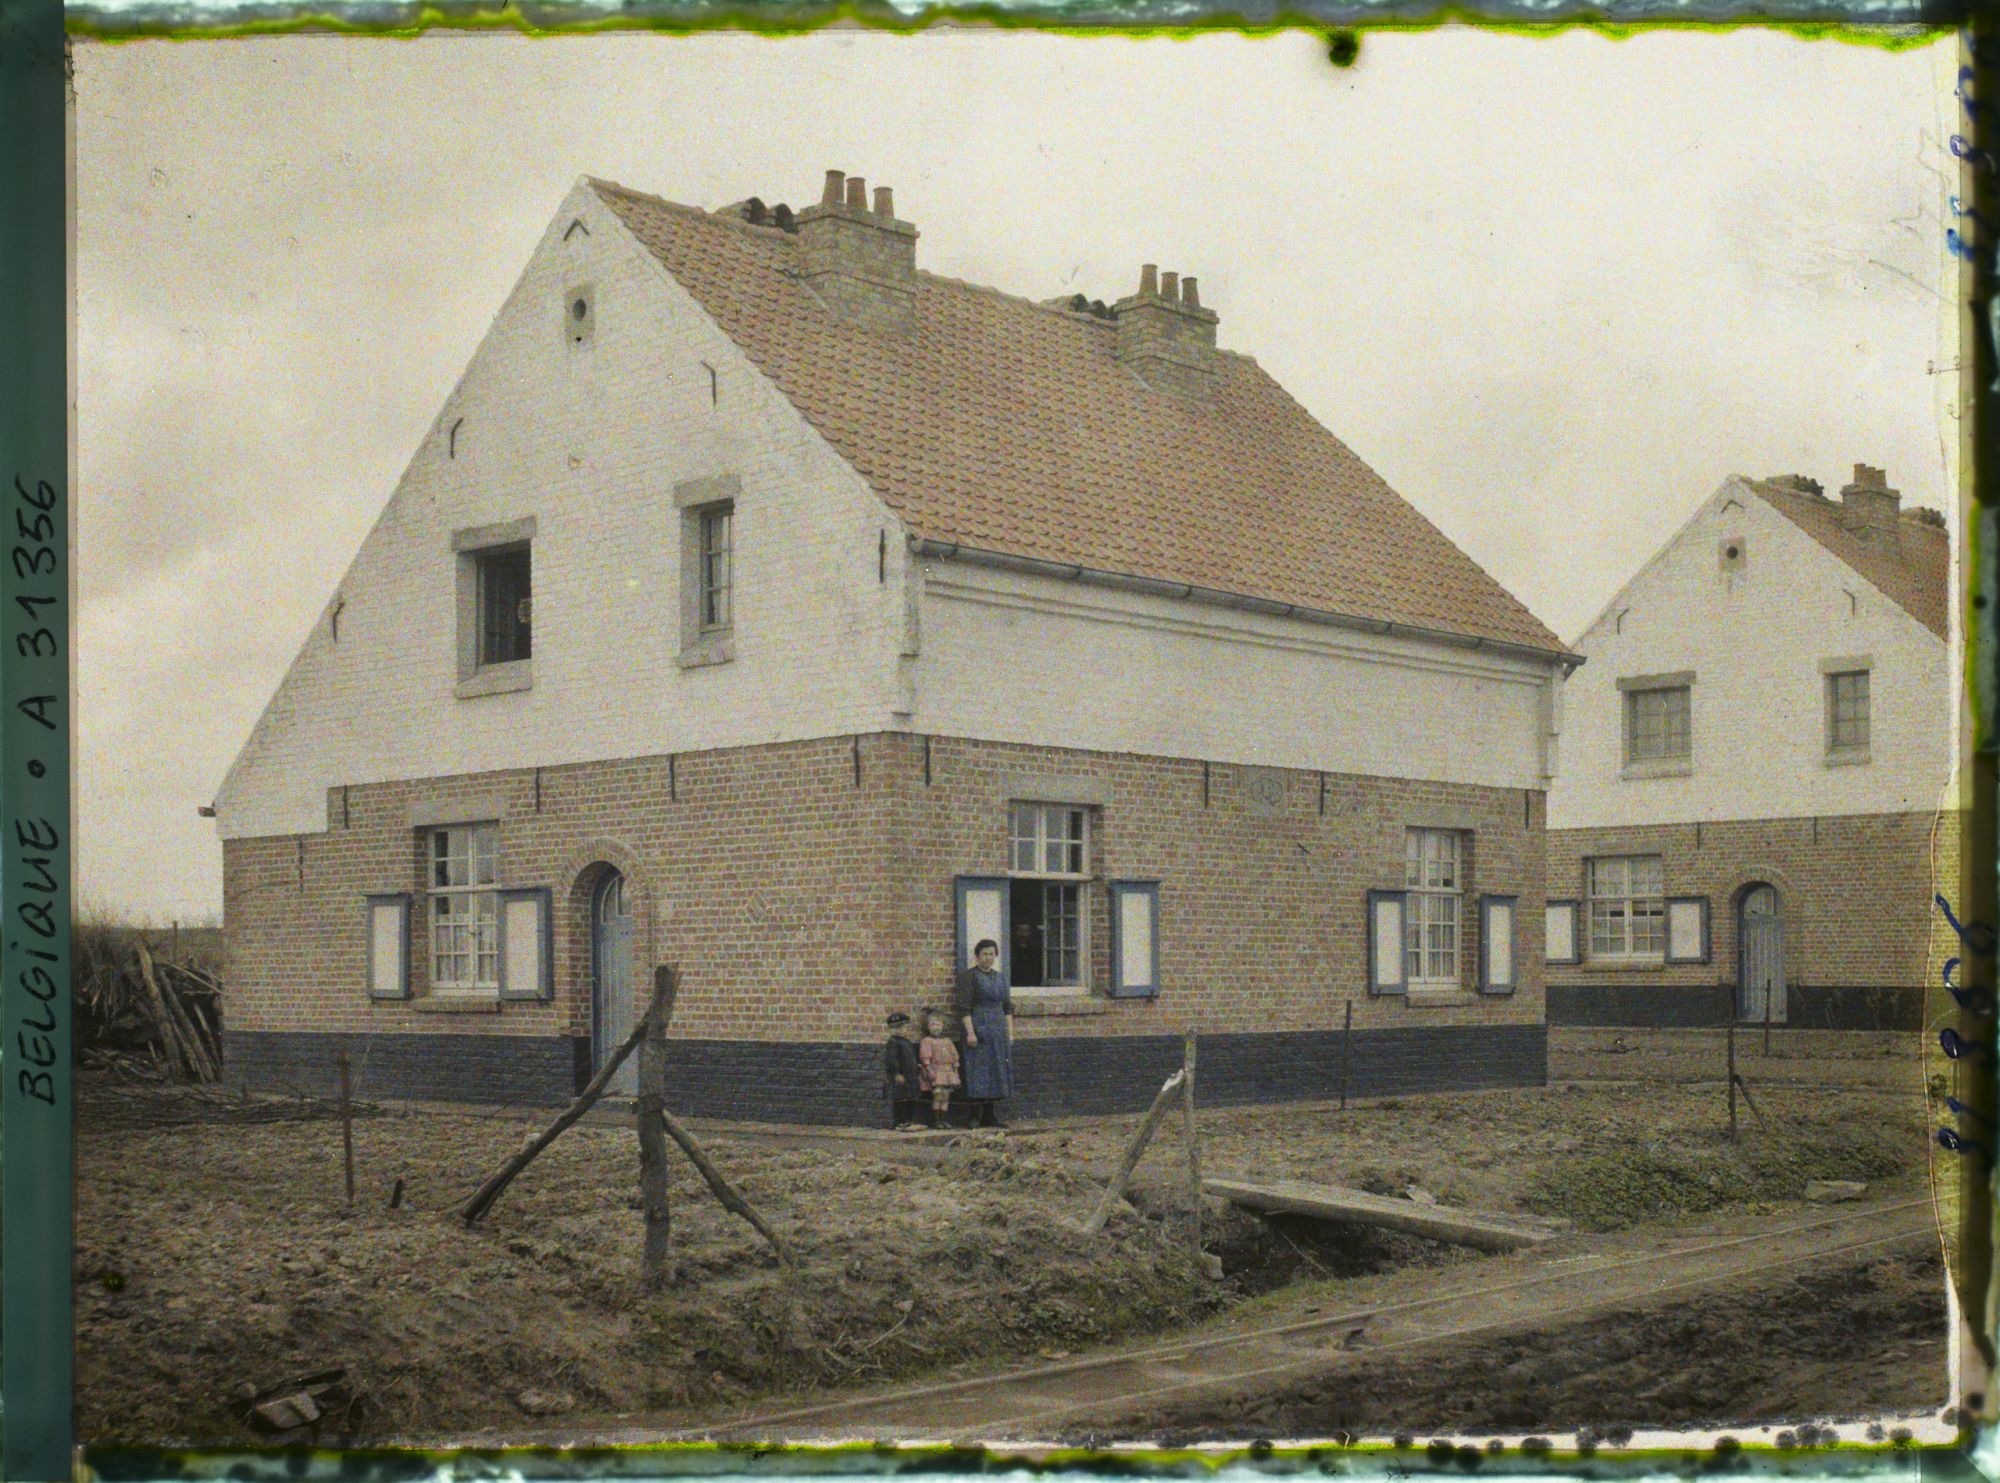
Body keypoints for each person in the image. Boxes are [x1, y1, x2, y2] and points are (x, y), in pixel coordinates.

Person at [955, 938, 1015, 1128]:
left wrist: (1010, 1033)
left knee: (996, 1071)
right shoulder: (969, 977)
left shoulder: (1000, 977)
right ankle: (974, 1116)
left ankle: (990, 1116)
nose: (988, 958)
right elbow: (964, 1007)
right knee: (978, 1071)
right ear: (977, 956)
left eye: (991, 954)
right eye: (985, 954)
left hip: (997, 1029)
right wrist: (970, 1033)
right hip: (978, 1028)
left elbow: (1007, 1006)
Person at [917, 1009, 961, 1125]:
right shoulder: (927, 1041)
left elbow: (955, 1057)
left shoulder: (947, 1041)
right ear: (927, 1027)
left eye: (939, 1024)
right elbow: (925, 1058)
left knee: (946, 1096)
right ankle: (936, 1120)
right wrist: (929, 1070)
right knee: (938, 1095)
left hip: (948, 1072)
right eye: (932, 1024)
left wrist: (955, 1072)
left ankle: (944, 1119)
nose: (936, 1027)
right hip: (936, 1071)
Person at [883, 1010, 924, 1129]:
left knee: (912, 1098)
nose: (902, 1030)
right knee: (900, 1099)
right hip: (901, 1076)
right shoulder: (893, 1042)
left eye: (904, 1028)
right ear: (891, 1029)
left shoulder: (906, 1041)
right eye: (898, 1028)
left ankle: (909, 1120)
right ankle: (900, 1121)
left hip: (911, 1075)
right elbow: (891, 1059)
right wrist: (896, 1073)